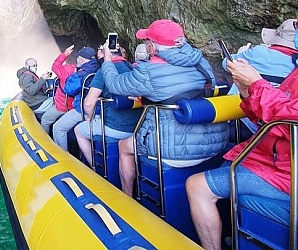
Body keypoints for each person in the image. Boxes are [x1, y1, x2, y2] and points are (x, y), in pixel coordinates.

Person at [101, 19, 228, 196]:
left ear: (152, 47)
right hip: (214, 143)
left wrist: (108, 60)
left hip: (172, 148)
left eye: (146, 42)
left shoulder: (148, 71)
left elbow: (115, 84)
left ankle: (127, 197)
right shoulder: (202, 63)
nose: (146, 46)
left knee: (124, 146)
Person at [186, 54, 298, 250]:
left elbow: (289, 118)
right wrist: (247, 91)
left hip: (287, 171)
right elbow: (271, 117)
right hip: (277, 159)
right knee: (226, 164)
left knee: (196, 186)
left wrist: (257, 83)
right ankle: (233, 236)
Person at [221, 18, 297, 134]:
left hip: (243, 118)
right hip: (263, 124)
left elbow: (227, 64)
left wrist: (243, 52)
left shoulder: (259, 51)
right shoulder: (294, 65)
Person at [75, 46, 141, 167]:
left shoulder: (103, 71)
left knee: (78, 130)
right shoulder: (134, 69)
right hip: (138, 127)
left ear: (106, 54)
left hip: (115, 127)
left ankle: (94, 167)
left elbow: (88, 104)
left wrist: (91, 118)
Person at [52, 46, 100, 151]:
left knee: (58, 128)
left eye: (78, 58)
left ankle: (63, 155)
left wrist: (72, 75)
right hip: (99, 109)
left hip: (83, 109)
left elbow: (68, 89)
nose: (76, 59)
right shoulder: (99, 68)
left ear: (82, 59)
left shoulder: (81, 73)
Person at [40, 45, 77, 134]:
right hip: (75, 107)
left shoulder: (68, 70)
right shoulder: (88, 71)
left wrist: (65, 54)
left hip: (63, 106)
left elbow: (55, 66)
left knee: (45, 120)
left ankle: (46, 141)